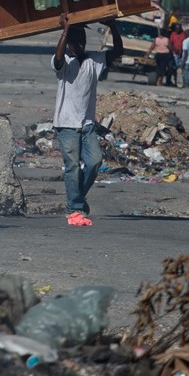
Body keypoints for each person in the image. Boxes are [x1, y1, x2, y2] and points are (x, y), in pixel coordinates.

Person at [52, 17, 122, 227]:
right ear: (68, 42)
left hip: (87, 123)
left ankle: (77, 198)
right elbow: (57, 59)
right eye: (76, 40)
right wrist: (65, 31)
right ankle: (75, 208)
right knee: (72, 166)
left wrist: (114, 27)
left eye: (83, 39)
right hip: (66, 123)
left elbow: (118, 52)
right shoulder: (62, 61)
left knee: (94, 162)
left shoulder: (94, 59)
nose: (81, 44)